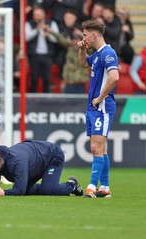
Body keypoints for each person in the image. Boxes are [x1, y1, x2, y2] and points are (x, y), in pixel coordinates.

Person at [78, 20, 119, 198]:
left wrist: (100, 97)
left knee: (96, 147)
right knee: (101, 149)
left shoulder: (108, 53)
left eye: (85, 35)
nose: (83, 38)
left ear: (94, 35)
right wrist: (81, 49)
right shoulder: (96, 55)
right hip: (93, 107)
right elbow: (83, 64)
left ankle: (92, 186)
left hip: (101, 107)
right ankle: (106, 187)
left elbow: (115, 77)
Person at [0, 140, 84, 196]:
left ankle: (72, 185)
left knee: (48, 190)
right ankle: (48, 185)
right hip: (34, 163)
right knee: (28, 191)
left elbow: (18, 191)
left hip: (52, 157)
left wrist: (2, 192)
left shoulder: (17, 163)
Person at [25, 6, 59, 93]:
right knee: (34, 78)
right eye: (35, 14)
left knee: (47, 78)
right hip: (34, 55)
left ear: (44, 15)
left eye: (39, 14)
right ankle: (33, 98)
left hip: (48, 55)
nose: (37, 16)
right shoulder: (29, 24)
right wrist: (37, 29)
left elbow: (56, 38)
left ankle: (47, 99)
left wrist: (49, 34)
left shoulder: (51, 23)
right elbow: (27, 37)